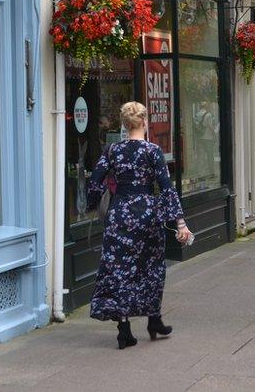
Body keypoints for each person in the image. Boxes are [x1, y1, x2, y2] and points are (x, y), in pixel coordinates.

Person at [86, 102, 193, 350]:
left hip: (119, 214)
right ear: (145, 123)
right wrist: (180, 223)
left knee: (120, 269)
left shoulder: (112, 150)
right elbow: (167, 188)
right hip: (146, 214)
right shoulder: (153, 151)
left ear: (124, 125)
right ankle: (153, 319)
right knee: (151, 267)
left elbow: (94, 181)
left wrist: (95, 203)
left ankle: (124, 330)